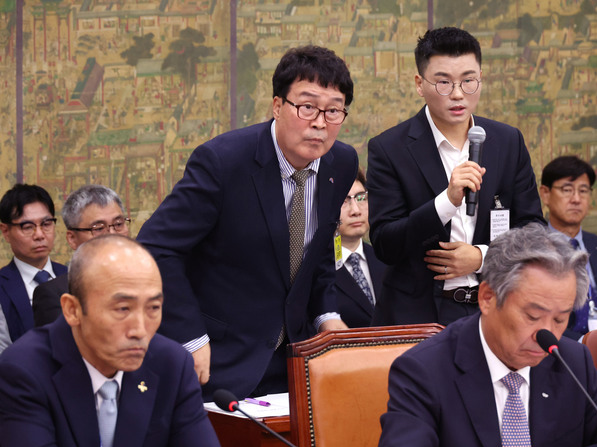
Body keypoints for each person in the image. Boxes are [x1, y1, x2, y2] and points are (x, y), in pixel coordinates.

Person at [377, 223, 597, 447]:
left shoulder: (571, 360)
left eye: (560, 319)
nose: (546, 334)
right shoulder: (425, 367)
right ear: (487, 297)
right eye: (533, 316)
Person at [137, 45, 358, 399]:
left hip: (296, 363)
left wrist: (327, 315)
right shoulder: (223, 162)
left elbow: (317, 251)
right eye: (307, 107)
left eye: (333, 110)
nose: (320, 122)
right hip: (221, 361)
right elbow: (155, 248)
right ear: (276, 106)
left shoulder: (341, 163)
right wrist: (191, 338)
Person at [0, 235, 244, 447]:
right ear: (72, 310)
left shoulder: (170, 364)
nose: (140, 330)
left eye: (153, 308)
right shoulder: (24, 369)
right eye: (122, 309)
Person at [367, 27, 543, 327]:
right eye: (444, 82)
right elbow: (385, 244)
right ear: (419, 84)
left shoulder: (507, 141)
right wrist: (446, 202)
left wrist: (483, 257)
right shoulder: (389, 149)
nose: (458, 93)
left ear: (481, 79)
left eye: (468, 80)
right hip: (417, 315)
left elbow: (534, 229)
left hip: (493, 308)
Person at [539, 156, 597, 340]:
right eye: (567, 190)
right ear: (545, 194)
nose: (576, 199)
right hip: (565, 343)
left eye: (583, 191)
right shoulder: (534, 248)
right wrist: (580, 344)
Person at [33, 185, 130, 326]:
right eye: (98, 228)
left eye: (118, 224)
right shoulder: (54, 294)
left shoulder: (149, 280)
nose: (112, 235)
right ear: (72, 239)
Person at [0, 183, 67, 343]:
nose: (39, 235)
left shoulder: (73, 277)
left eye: (46, 224)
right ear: (6, 231)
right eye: (27, 227)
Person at [335, 169, 386, 328]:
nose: (356, 210)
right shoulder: (316, 267)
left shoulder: (385, 259)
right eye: (343, 201)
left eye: (361, 198)